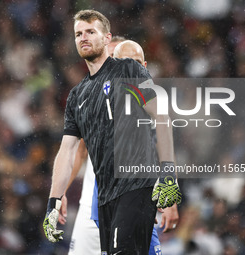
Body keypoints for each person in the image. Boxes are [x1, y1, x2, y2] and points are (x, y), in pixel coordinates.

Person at [43, 10, 181, 254]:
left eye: (90, 32)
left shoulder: (128, 70)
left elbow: (161, 117)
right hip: (104, 198)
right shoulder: (77, 95)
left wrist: (168, 175)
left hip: (135, 187)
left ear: (106, 39)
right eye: (78, 34)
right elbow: (68, 150)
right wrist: (54, 199)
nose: (83, 38)